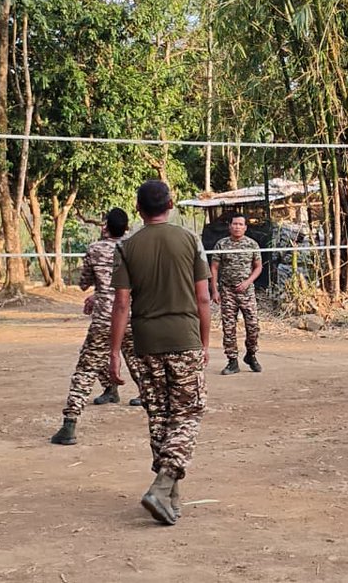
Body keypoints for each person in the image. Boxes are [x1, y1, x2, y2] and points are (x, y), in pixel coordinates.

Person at [109, 180, 211, 526]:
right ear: (170, 204)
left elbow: (121, 304)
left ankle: (171, 498)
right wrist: (206, 343)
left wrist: (113, 352)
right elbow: (203, 299)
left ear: (138, 209)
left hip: (146, 343)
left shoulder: (126, 247)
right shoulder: (190, 240)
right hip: (184, 337)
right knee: (188, 414)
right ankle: (163, 484)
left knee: (160, 416)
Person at [50, 208, 140, 446]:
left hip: (105, 318)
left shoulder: (96, 249)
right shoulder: (136, 248)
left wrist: (97, 292)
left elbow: (84, 282)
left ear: (106, 227)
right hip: (134, 316)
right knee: (138, 359)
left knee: (87, 367)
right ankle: (154, 406)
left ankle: (70, 424)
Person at [210, 213, 263, 375]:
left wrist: (247, 282)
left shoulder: (252, 244)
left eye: (241, 224)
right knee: (229, 327)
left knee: (253, 326)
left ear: (245, 227)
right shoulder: (222, 244)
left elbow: (258, 267)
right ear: (230, 226)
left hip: (247, 292)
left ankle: (251, 355)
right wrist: (215, 290)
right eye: (235, 224)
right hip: (227, 291)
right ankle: (232, 361)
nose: (237, 227)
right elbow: (214, 268)